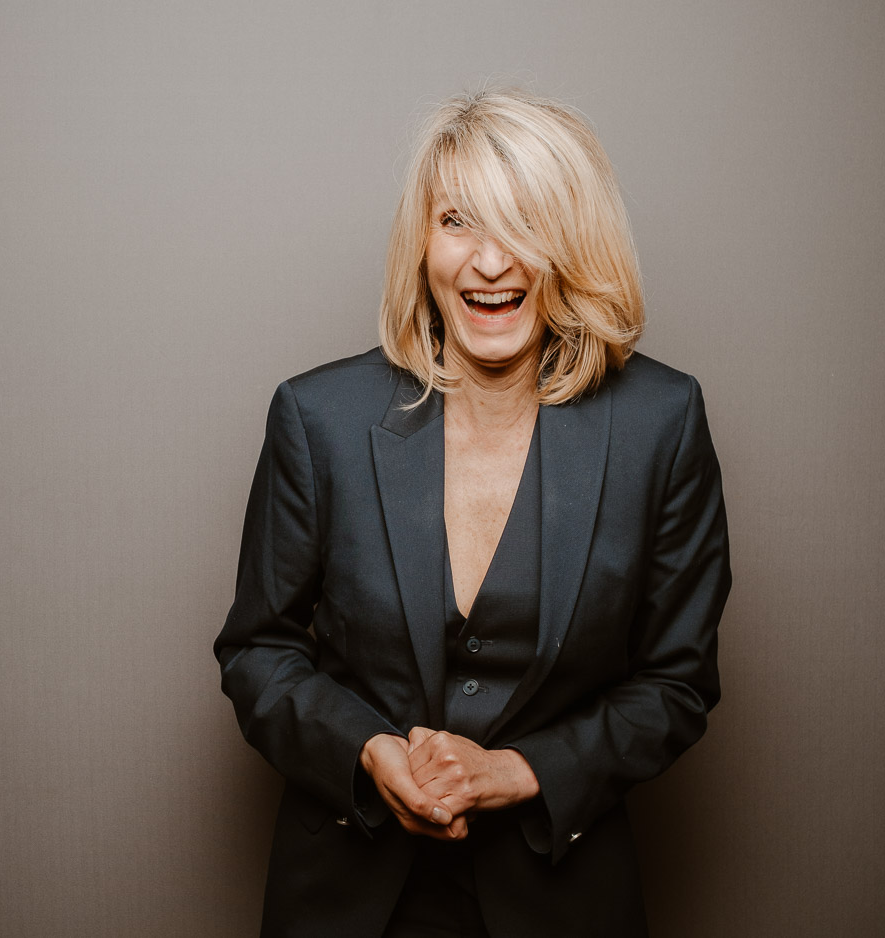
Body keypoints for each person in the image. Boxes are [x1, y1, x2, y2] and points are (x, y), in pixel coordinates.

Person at [214, 88, 731, 938]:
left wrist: (519, 772)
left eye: (523, 223)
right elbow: (257, 650)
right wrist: (371, 752)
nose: (490, 262)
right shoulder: (319, 420)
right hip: (346, 898)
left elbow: (676, 684)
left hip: (564, 897)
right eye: (458, 221)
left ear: (570, 243)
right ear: (422, 246)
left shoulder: (660, 425)